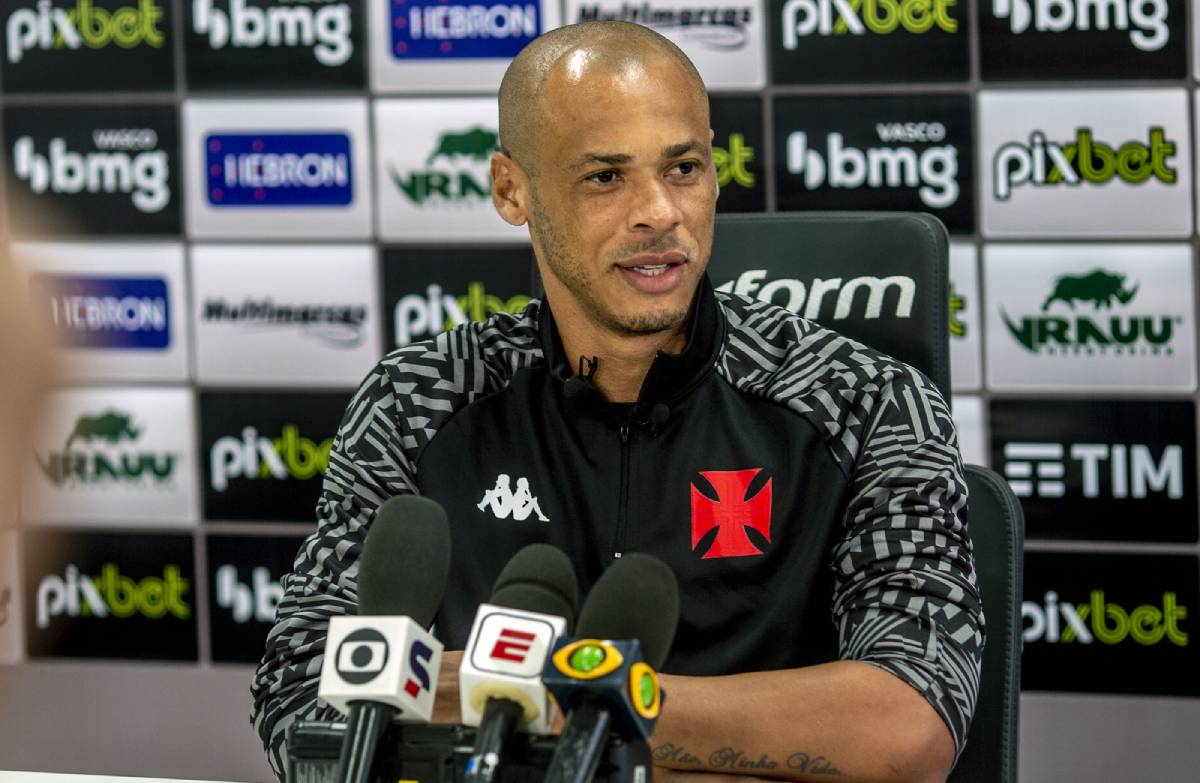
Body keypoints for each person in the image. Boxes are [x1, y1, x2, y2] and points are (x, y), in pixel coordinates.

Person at [252, 21, 983, 783]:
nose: (659, 213)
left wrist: (552, 700)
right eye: (606, 177)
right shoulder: (416, 401)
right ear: (512, 189)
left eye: (684, 168)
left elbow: (909, 728)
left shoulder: (866, 402)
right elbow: (304, 707)